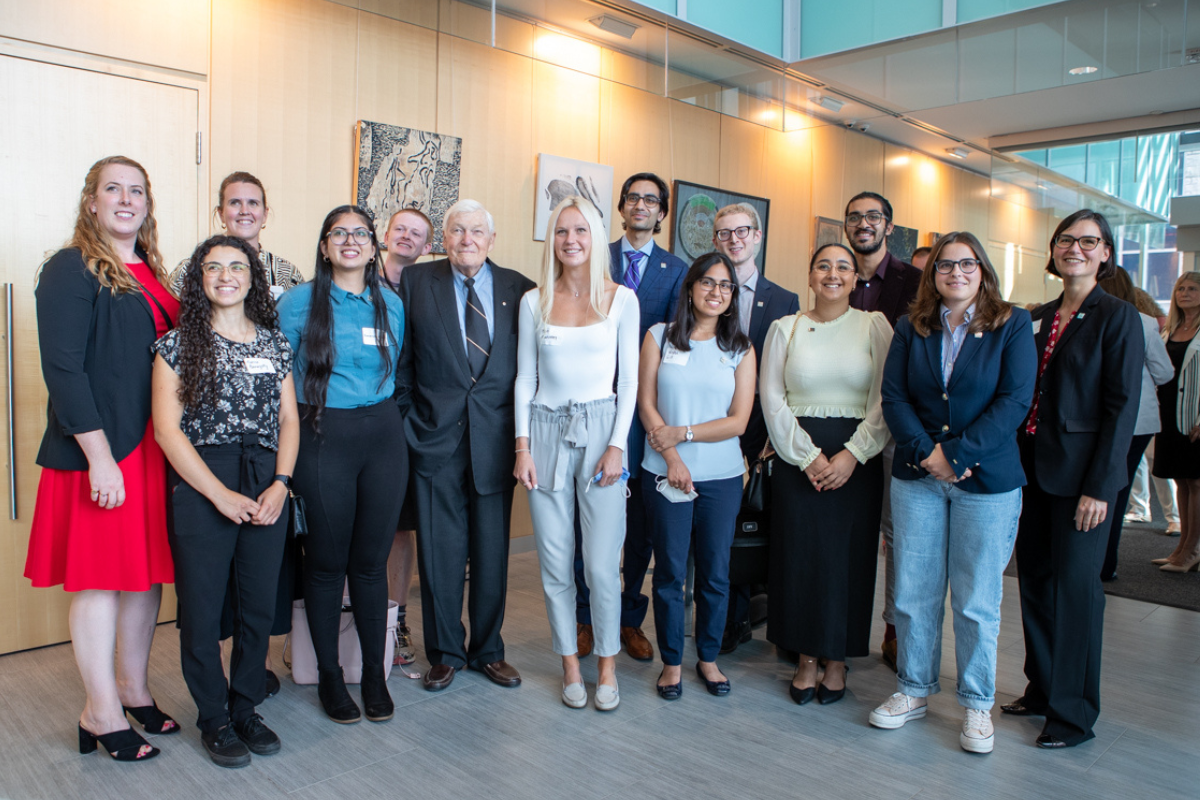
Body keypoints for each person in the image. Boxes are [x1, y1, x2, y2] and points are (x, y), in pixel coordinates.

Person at [24, 155, 180, 762]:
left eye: (136, 190)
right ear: (92, 202)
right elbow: (62, 368)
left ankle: (133, 691)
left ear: (147, 203)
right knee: (100, 582)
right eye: (112, 189)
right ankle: (99, 712)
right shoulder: (70, 267)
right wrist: (99, 458)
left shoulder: (151, 269)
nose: (125, 199)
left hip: (152, 447)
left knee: (143, 578)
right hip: (102, 449)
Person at [869, 232, 1036, 754]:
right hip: (919, 478)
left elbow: (1015, 401)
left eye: (966, 264)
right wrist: (928, 454)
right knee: (913, 593)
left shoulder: (1012, 324)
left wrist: (958, 456)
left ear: (982, 270)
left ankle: (977, 704)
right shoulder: (910, 326)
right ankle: (913, 690)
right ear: (931, 273)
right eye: (944, 265)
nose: (955, 273)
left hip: (986, 483)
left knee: (975, 601)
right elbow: (893, 397)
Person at [152, 235, 298, 767]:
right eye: (212, 267)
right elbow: (168, 432)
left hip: (266, 478)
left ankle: (245, 709)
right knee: (203, 607)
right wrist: (217, 494)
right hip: (202, 477)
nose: (226, 275)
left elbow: (288, 420)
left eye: (237, 266)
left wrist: (281, 482)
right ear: (199, 279)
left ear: (254, 277)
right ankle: (212, 716)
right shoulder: (176, 344)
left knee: (258, 606)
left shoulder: (276, 344)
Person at [1003, 209, 1142, 749]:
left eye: (1088, 241)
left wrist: (1101, 487)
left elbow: (1121, 408)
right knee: (1034, 583)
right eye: (1066, 240)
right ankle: (1042, 688)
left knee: (1078, 592)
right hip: (1030, 472)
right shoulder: (1034, 316)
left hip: (1082, 479)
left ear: (1106, 253)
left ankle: (1073, 714)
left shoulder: (1117, 317)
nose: (1075, 249)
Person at [397, 199, 534, 692]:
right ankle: (446, 653)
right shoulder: (417, 283)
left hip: (497, 444)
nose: (467, 239)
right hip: (435, 439)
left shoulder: (521, 290)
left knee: (492, 553)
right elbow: (403, 364)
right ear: (445, 239)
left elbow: (529, 372)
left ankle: (488, 651)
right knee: (440, 553)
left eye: (477, 231)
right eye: (457, 231)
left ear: (491, 240)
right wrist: (411, 423)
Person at [276, 205, 406, 724]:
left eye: (360, 234)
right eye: (338, 234)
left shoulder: (391, 304)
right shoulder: (297, 303)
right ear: (325, 245)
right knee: (326, 564)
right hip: (322, 435)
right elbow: (281, 386)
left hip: (383, 438)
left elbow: (399, 371)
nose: (350, 241)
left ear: (374, 246)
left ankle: (373, 674)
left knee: (372, 565)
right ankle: (329, 674)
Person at [515, 196, 640, 710]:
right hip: (544, 430)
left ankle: (606, 666)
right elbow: (526, 378)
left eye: (581, 231)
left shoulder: (620, 299)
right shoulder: (533, 301)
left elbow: (629, 381)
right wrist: (522, 446)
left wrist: (616, 446)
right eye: (562, 231)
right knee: (554, 559)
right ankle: (570, 662)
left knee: (601, 564)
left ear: (595, 238)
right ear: (553, 238)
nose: (571, 240)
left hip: (601, 428)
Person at [760, 243, 892, 705]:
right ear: (810, 276)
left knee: (847, 562)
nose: (833, 274)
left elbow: (884, 397)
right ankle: (805, 658)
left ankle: (837, 659)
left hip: (857, 460)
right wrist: (807, 456)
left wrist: (853, 453)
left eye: (843, 267)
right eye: (823, 266)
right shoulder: (785, 328)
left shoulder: (874, 326)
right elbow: (772, 400)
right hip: (799, 460)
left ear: (856, 278)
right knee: (799, 559)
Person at [574, 172, 687, 661]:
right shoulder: (598, 255)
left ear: (662, 213)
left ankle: (627, 620)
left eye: (651, 200)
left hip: (647, 410)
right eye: (633, 198)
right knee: (591, 521)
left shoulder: (678, 270)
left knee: (640, 527)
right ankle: (585, 618)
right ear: (621, 207)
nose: (641, 205)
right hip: (595, 403)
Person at [639, 252, 755, 699]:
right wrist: (672, 456)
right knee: (668, 572)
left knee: (714, 572)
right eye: (708, 282)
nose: (716, 292)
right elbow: (645, 404)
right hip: (664, 473)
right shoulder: (659, 337)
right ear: (690, 288)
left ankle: (707, 657)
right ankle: (671, 663)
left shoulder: (740, 349)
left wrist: (683, 433)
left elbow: (738, 421)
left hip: (722, 477)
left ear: (732, 296)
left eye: (726, 286)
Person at [708, 202, 799, 654]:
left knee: (755, 528)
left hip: (762, 436)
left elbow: (784, 378)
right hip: (709, 429)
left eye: (742, 231)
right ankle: (729, 620)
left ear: (758, 236)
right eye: (724, 233)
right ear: (714, 241)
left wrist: (763, 442)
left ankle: (759, 615)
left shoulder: (784, 302)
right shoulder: (701, 292)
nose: (734, 240)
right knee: (719, 531)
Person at [844, 191, 922, 672]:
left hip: (896, 424)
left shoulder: (915, 282)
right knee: (850, 529)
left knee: (898, 534)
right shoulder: (837, 276)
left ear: (888, 226)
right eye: (854, 217)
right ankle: (844, 624)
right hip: (843, 425)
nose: (864, 224)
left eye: (873, 216)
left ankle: (894, 630)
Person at [380, 207, 435, 666]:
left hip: (410, 424)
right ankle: (344, 622)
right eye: (400, 229)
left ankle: (395, 623)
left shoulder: (427, 290)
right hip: (356, 419)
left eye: (416, 234)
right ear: (384, 234)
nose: (406, 237)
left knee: (400, 527)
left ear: (427, 247)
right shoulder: (354, 278)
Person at [1096, 268, 1173, 581]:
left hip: (1096, 419)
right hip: (1138, 420)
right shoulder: (1144, 322)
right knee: (1118, 490)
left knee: (1096, 487)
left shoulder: (1088, 318)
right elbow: (1165, 373)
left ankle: (1092, 560)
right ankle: (1106, 563)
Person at [169, 172, 303, 297]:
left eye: (253, 203)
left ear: (265, 215)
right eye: (235, 203)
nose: (244, 211)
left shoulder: (286, 274)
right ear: (221, 213)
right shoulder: (189, 271)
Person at [1151, 271, 1200, 572]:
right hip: (1169, 414)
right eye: (1180, 288)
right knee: (1181, 480)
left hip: (1195, 416)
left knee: (1196, 482)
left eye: (1192, 288)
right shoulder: (1171, 328)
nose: (1184, 293)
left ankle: (1193, 549)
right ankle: (1181, 547)